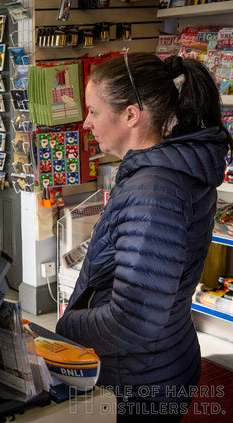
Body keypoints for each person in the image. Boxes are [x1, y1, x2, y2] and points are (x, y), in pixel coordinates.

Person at [55, 52, 232, 422]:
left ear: (131, 115)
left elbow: (133, 320)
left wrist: (67, 327)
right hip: (159, 362)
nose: (86, 123)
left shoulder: (154, 192)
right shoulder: (166, 170)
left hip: (140, 381)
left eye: (94, 111)